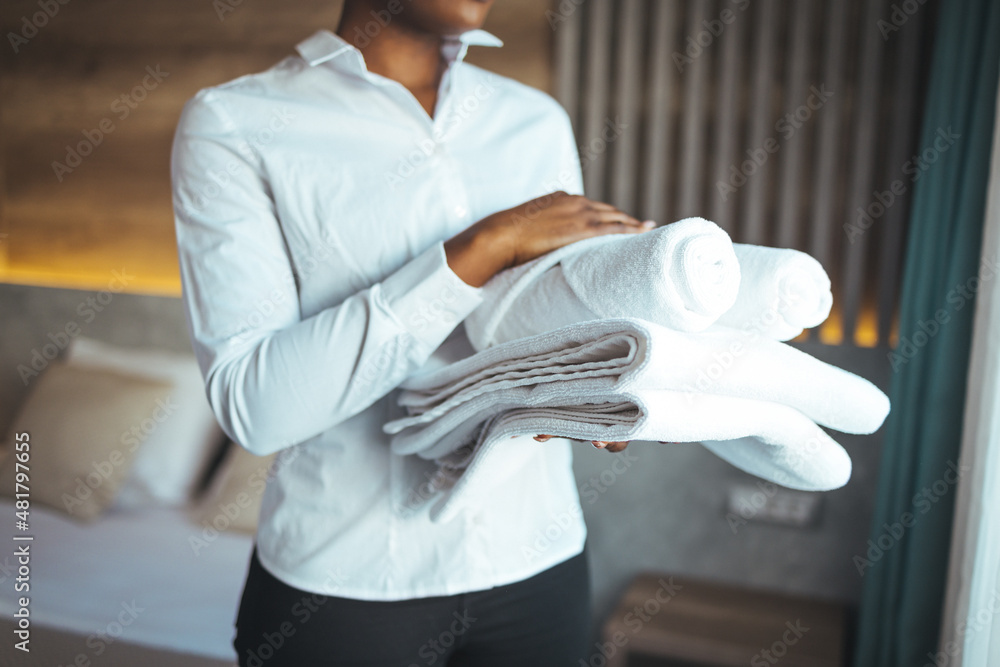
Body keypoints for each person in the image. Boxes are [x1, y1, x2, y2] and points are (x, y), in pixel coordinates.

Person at [171, 1, 647, 664]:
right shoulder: (234, 125)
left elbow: (557, 322)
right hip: (342, 594)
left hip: (540, 563)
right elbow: (258, 407)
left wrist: (601, 389)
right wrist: (485, 244)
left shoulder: (535, 121)